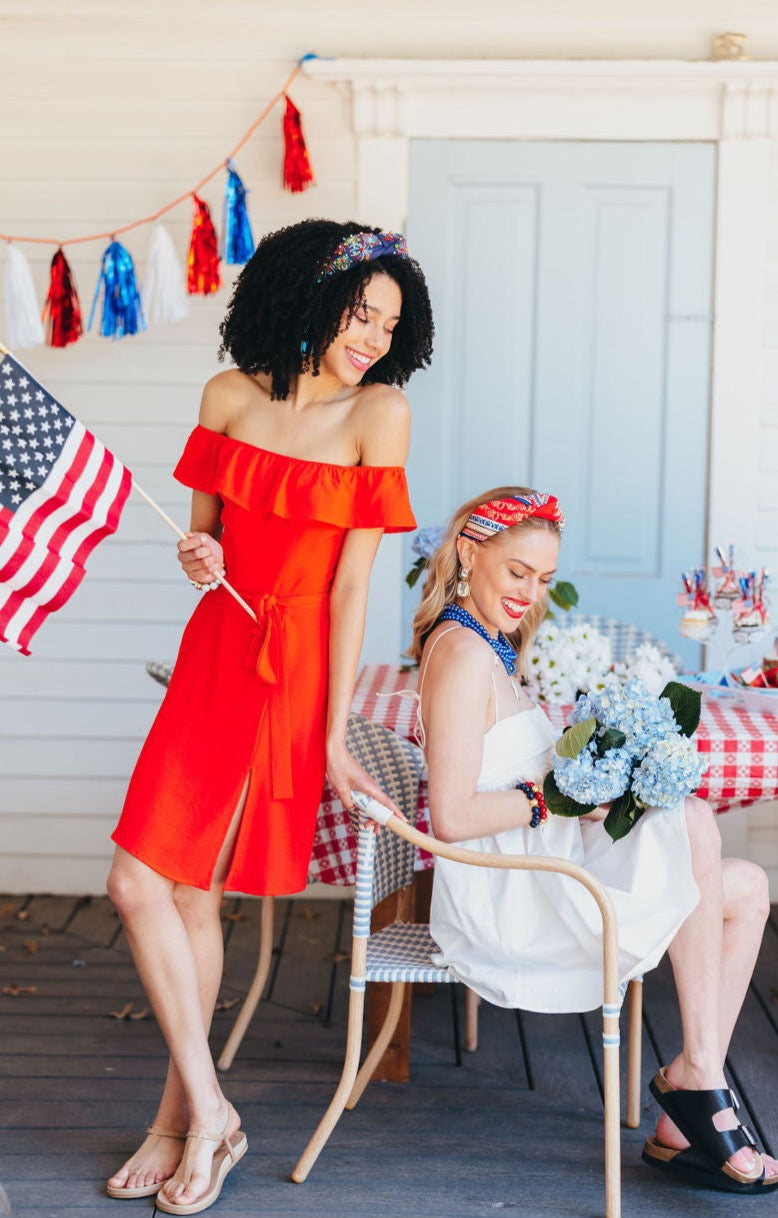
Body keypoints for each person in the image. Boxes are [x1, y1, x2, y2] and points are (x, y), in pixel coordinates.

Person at [105, 220, 433, 1214]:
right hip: (216, 649)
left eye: (388, 321)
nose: (373, 335)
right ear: (306, 296)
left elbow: (349, 593)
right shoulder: (228, 396)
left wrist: (330, 735)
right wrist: (197, 557)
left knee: (181, 886)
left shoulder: (379, 414)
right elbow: (201, 539)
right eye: (358, 312)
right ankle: (200, 1114)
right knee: (158, 886)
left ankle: (189, 1120)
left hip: (293, 669)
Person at [411, 487, 778, 1196]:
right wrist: (553, 797)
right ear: (469, 551)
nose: (530, 592)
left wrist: (589, 785)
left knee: (745, 889)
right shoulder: (461, 655)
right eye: (517, 571)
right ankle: (699, 1085)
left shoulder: (487, 641)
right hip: (514, 901)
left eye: (543, 579)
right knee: (697, 822)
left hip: (546, 868)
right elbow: (452, 816)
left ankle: (687, 1094)